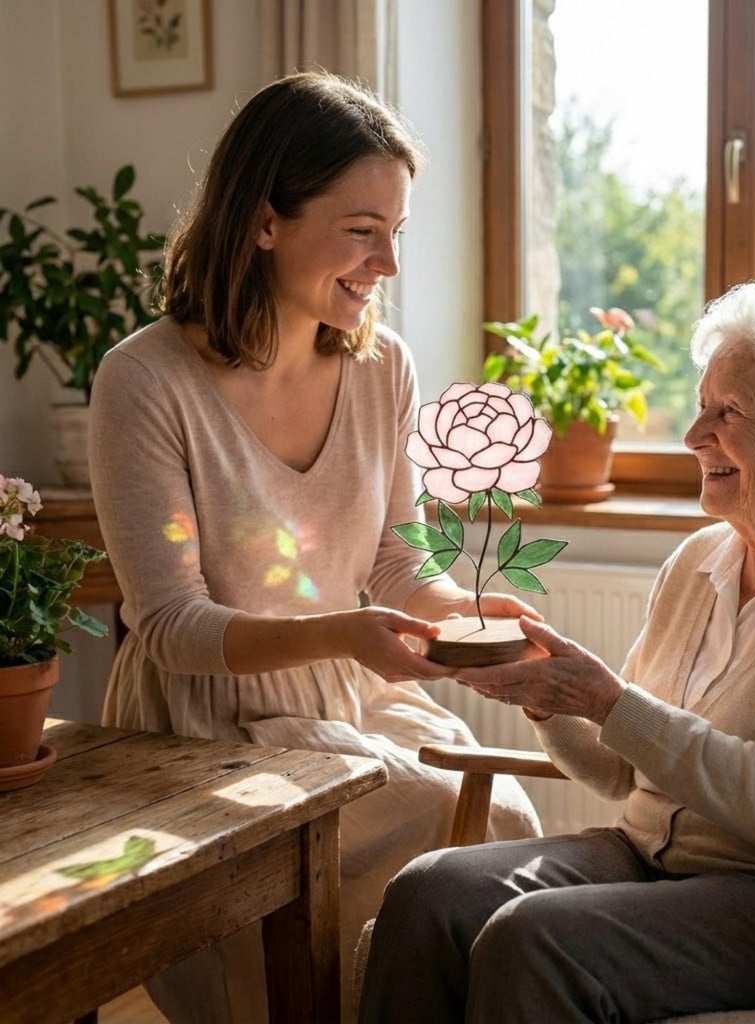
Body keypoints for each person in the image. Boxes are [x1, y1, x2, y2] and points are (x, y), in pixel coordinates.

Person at [358, 278, 755, 1023]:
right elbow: (618, 770)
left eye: (728, 413)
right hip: (662, 863)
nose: (694, 434)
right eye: (703, 404)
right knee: (431, 892)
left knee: (538, 940)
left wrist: (606, 700)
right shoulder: (703, 559)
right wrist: (547, 698)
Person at [87, 71, 540, 1024]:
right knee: (428, 821)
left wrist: (472, 615)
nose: (388, 263)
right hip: (206, 727)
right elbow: (170, 625)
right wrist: (347, 632)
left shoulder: (383, 369)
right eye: (361, 229)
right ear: (264, 223)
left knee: (500, 820)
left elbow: (395, 569)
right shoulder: (145, 382)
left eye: (397, 233)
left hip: (351, 696)